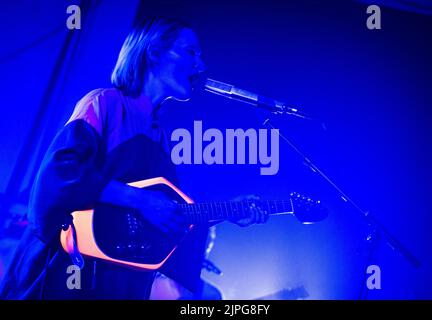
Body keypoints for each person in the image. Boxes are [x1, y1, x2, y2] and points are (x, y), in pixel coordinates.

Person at [0, 17, 267, 300]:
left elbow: (168, 214)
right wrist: (141, 200)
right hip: (62, 271)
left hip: (111, 283)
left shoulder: (159, 137)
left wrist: (225, 213)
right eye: (191, 52)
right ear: (153, 52)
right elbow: (61, 174)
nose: (201, 66)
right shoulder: (103, 103)